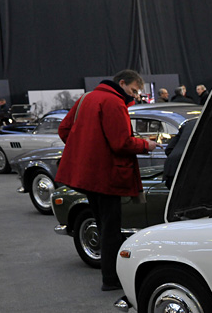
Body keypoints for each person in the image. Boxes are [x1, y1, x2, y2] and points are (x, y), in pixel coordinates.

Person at [55, 70, 156, 291]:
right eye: (133, 90)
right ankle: (111, 279)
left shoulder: (86, 98)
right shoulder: (114, 102)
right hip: (108, 175)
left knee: (103, 224)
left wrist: (86, 147)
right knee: (111, 227)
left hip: (87, 175)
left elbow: (64, 130)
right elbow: (121, 143)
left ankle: (110, 276)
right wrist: (146, 145)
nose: (135, 95)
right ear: (122, 83)